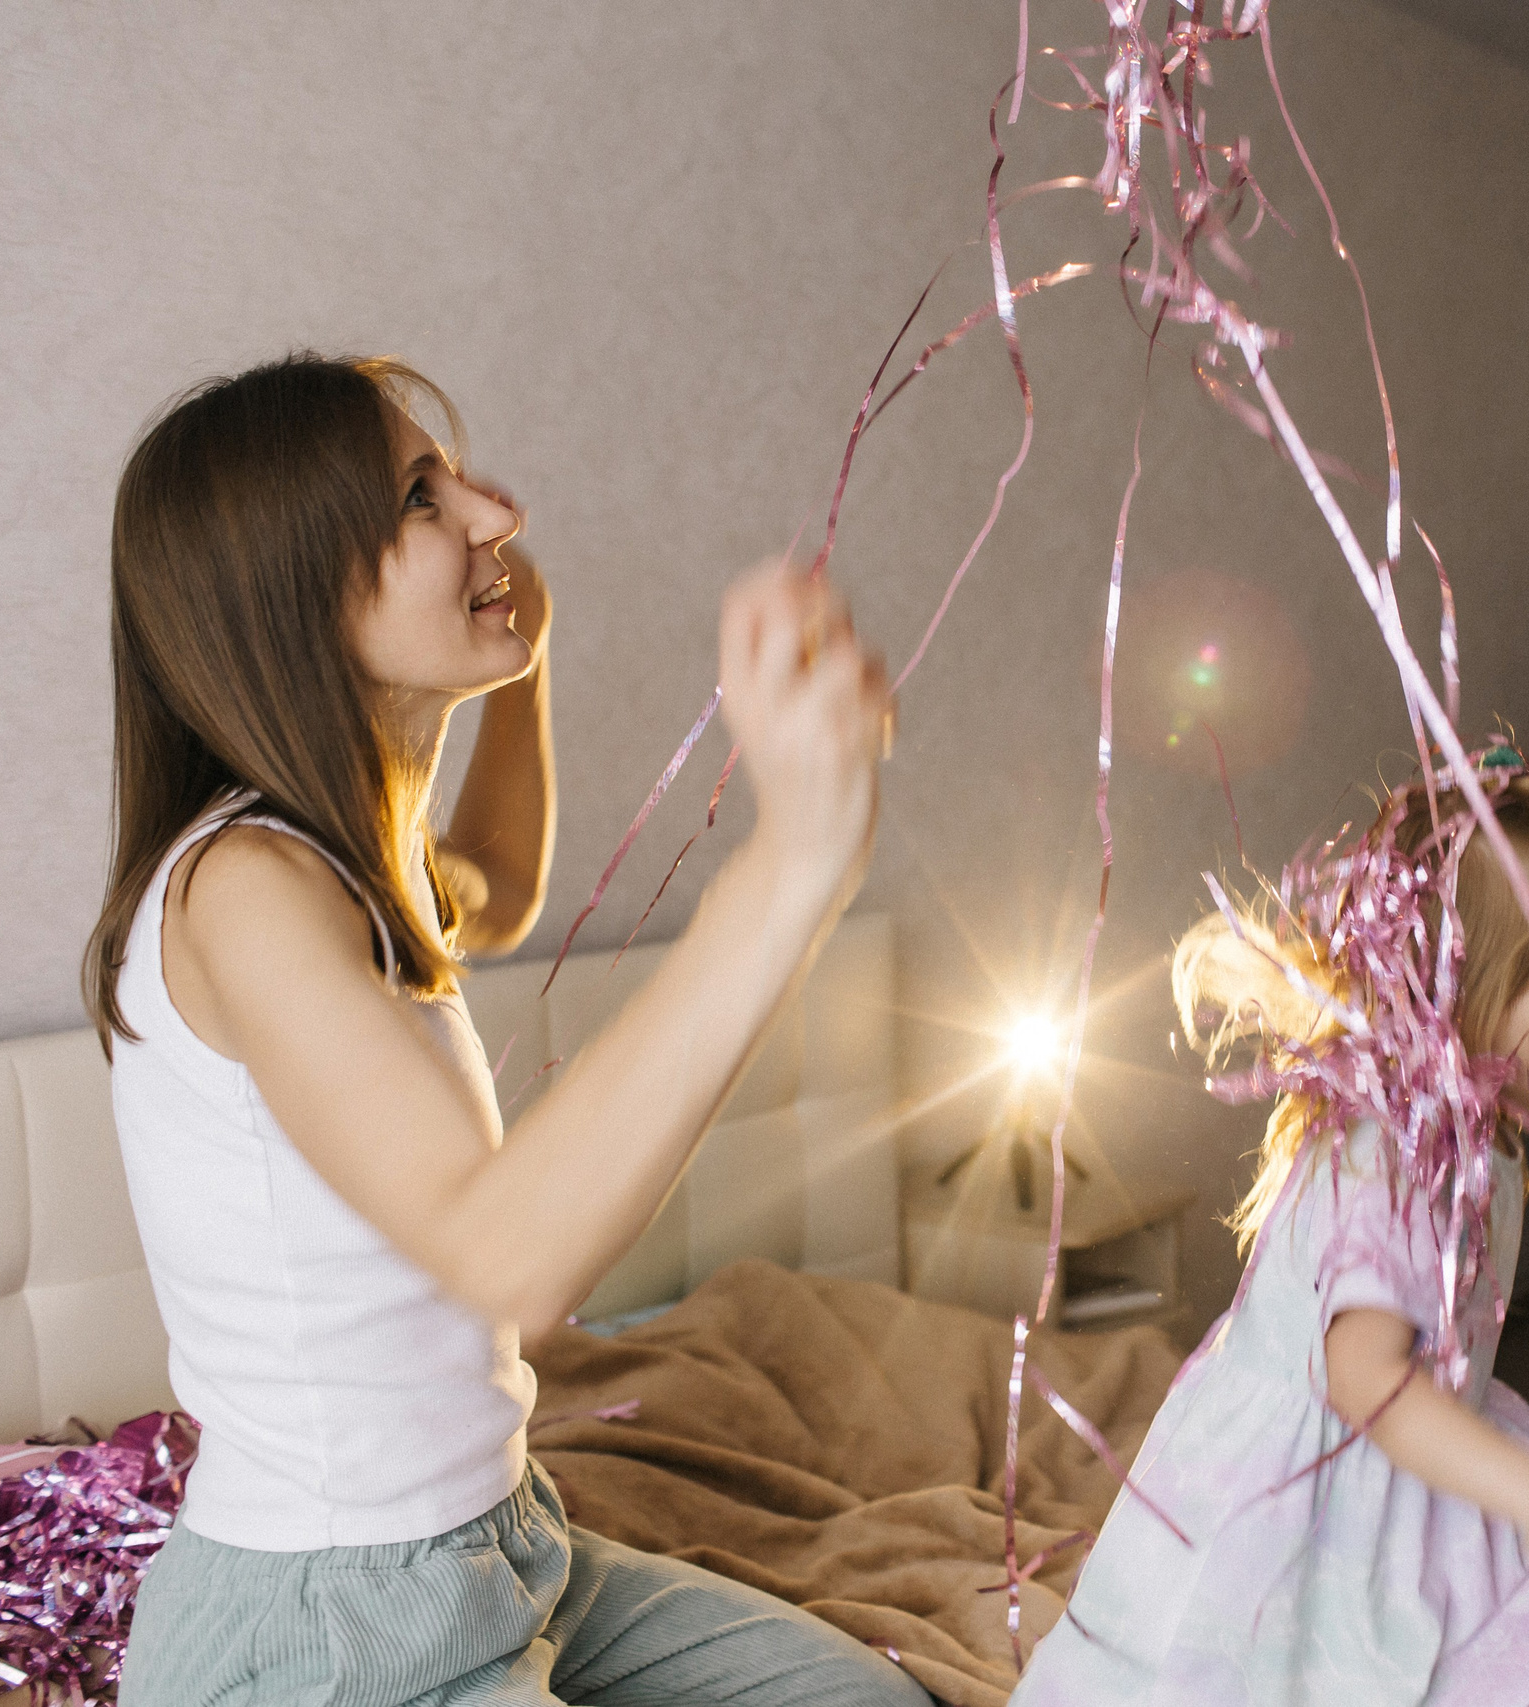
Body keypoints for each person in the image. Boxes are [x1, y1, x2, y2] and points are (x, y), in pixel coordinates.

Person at [84, 353, 928, 1706]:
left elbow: (496, 877)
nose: (497, 511)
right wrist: (794, 861)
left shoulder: (356, 860)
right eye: (425, 495)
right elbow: (506, 1250)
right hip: (327, 1622)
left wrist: (519, 664)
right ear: (299, 593)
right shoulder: (240, 893)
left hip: (507, 1543)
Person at [1013, 769, 1529, 1707]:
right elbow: (1365, 1379)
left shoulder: (1480, 1134)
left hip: (1422, 1474)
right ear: (1471, 985)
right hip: (1310, 1511)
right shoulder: (1390, 1158)